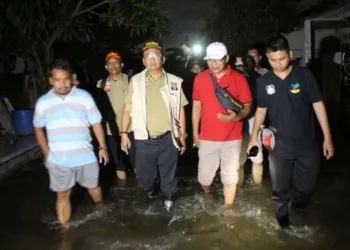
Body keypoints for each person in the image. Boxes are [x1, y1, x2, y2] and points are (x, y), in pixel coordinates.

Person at [247, 35, 334, 231]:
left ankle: (300, 208)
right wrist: (253, 138)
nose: (278, 64)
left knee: (307, 188)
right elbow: (261, 110)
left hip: (307, 145)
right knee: (280, 190)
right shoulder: (264, 81)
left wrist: (327, 138)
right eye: (272, 60)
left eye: (282, 59)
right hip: (280, 146)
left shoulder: (305, 76)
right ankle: (283, 225)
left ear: (291, 55)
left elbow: (318, 105)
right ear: (266, 58)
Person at [33, 59, 109, 230]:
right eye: (57, 80)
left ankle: (102, 216)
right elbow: (38, 128)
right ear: (51, 81)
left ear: (72, 78)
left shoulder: (84, 97)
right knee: (62, 194)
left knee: (94, 189)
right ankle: (65, 234)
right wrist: (46, 154)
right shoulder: (43, 102)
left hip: (86, 156)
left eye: (66, 79)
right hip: (59, 159)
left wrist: (103, 148)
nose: (62, 84)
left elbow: (96, 123)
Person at [120, 41, 188, 210]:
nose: (152, 59)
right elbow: (127, 108)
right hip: (143, 139)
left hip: (168, 137)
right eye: (148, 56)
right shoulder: (135, 81)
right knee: (145, 177)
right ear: (143, 61)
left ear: (163, 59)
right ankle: (151, 189)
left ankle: (169, 197)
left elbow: (180, 109)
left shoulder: (174, 81)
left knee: (168, 173)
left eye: (156, 55)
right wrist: (123, 134)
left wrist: (182, 135)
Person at [192, 42, 252, 214]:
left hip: (232, 137)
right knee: (204, 177)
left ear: (226, 59)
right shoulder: (200, 78)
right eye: (210, 60)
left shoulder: (239, 78)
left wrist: (237, 117)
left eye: (218, 60)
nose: (214, 63)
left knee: (230, 177)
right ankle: (208, 193)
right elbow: (197, 106)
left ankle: (228, 208)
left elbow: (248, 106)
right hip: (207, 137)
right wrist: (195, 132)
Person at [96, 51, 134, 181]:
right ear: (106, 67)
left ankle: (143, 191)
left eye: (116, 63)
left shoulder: (131, 81)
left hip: (130, 128)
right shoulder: (100, 84)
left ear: (121, 65)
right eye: (110, 63)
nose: (113, 66)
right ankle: (124, 190)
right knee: (118, 161)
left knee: (136, 158)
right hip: (110, 129)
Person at [233, 56, 263, 185]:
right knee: (243, 161)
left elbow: (263, 103)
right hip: (241, 121)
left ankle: (253, 187)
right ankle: (256, 188)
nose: (241, 69)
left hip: (251, 120)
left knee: (251, 159)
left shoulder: (257, 78)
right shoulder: (257, 77)